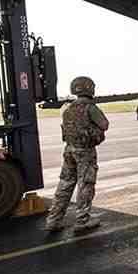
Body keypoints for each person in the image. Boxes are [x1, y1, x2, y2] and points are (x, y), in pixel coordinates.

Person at [45, 76, 110, 232]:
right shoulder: (90, 107)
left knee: (65, 184)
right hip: (85, 152)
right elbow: (104, 124)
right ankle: (82, 220)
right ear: (88, 88)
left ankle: (53, 220)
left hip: (69, 150)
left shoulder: (68, 109)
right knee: (85, 184)